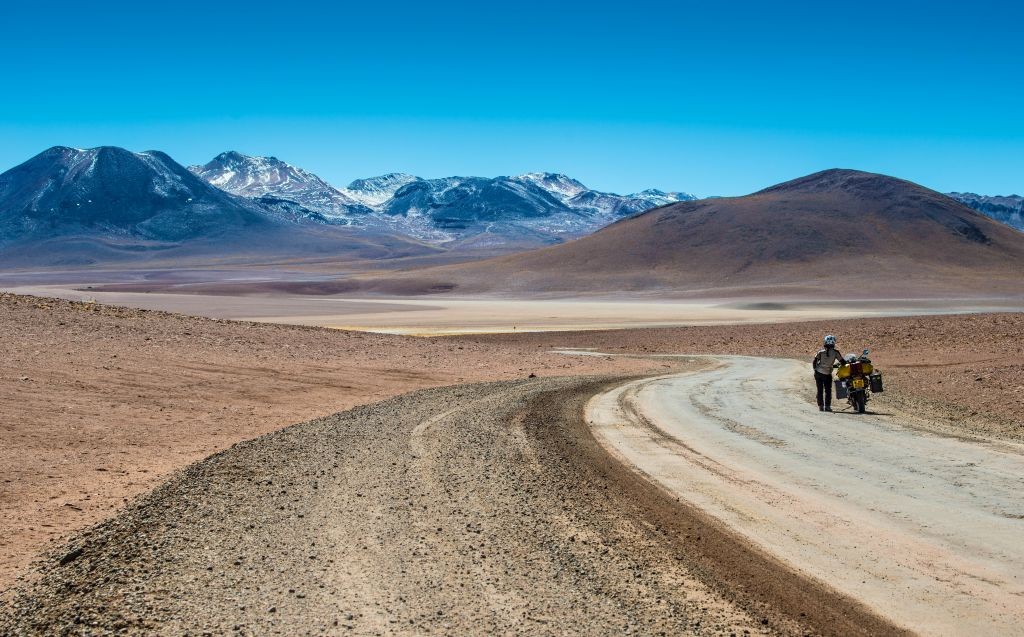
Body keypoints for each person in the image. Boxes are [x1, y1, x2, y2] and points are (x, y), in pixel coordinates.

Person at [812, 334, 845, 411]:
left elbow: (814, 361)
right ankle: (827, 406)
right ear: (833, 343)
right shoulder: (836, 352)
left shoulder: (820, 352)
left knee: (820, 390)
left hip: (818, 373)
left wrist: (815, 370)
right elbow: (842, 362)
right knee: (828, 390)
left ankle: (820, 406)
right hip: (827, 374)